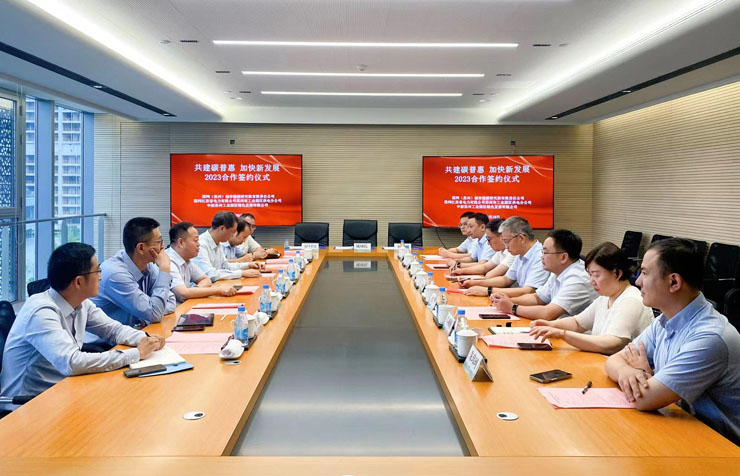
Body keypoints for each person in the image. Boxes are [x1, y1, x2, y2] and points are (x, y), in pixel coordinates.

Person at [605, 238, 740, 445]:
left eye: (645, 273)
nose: (638, 281)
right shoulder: (664, 320)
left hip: (721, 446)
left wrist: (642, 375)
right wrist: (627, 371)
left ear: (674, 282)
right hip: (682, 428)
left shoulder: (711, 337)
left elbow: (644, 399)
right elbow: (613, 361)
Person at [0, 243, 165, 411]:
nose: (100, 277)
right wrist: (136, 354)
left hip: (63, 390)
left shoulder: (80, 303)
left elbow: (113, 329)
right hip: (27, 406)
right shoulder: (41, 312)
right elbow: (72, 362)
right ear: (79, 282)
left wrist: (145, 339)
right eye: (97, 271)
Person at [530, 242, 653, 353]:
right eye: (590, 275)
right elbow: (578, 323)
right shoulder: (606, 296)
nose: (591, 281)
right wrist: (550, 325)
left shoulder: (630, 300)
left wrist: (563, 334)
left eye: (596, 275)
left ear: (617, 273)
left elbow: (611, 344)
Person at [491, 229, 597, 320]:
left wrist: (512, 308)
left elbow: (548, 313)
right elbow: (537, 298)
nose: (541, 257)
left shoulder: (577, 279)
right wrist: (506, 301)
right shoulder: (558, 271)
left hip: (576, 335)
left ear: (563, 257)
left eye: (545, 252)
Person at [91, 217, 176, 329]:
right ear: (141, 248)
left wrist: (147, 316)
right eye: (159, 242)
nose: (163, 246)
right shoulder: (115, 274)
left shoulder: (148, 265)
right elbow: (154, 314)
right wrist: (164, 269)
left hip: (130, 333)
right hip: (104, 339)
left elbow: (170, 301)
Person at [462, 216, 550, 297]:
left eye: (506, 241)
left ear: (521, 238)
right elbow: (506, 280)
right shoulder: (520, 253)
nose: (506, 246)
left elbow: (528, 291)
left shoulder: (540, 257)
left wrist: (488, 291)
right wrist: (475, 283)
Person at [166, 222, 237, 302]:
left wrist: (195, 291)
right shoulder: (168, 261)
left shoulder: (187, 260)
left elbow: (206, 279)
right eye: (195, 240)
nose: (198, 244)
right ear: (181, 243)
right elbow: (183, 293)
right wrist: (218, 290)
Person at [195, 212, 262, 281]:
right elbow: (209, 274)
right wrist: (241, 273)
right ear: (222, 228)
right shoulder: (201, 245)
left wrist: (248, 265)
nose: (233, 235)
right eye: (232, 232)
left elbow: (226, 266)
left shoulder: (218, 243)